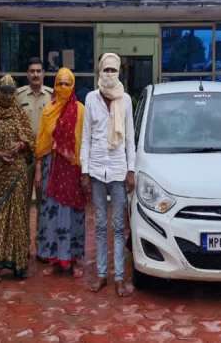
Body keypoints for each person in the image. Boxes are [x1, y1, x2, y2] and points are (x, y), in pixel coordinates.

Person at [81, 53, 136, 297]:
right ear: (99, 72)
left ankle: (119, 277)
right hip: (96, 170)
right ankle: (102, 274)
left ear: (119, 73)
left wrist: (131, 170)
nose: (110, 74)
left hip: (118, 170)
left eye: (114, 70)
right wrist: (84, 171)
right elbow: (86, 138)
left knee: (119, 226)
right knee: (101, 225)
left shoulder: (126, 100)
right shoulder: (91, 99)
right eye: (106, 70)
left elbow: (130, 139)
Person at [0, 75, 36, 281]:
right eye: (3, 91)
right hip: (0, 172)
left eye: (10, 91)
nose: (7, 95)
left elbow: (30, 140)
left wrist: (21, 145)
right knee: (0, 217)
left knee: (18, 217)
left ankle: (18, 264)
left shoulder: (20, 114)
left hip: (18, 172)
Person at [34, 68, 87, 277]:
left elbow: (85, 141)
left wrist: (85, 171)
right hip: (52, 168)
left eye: (67, 83)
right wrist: (39, 169)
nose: (63, 87)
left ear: (73, 86)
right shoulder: (49, 110)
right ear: (55, 86)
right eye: (59, 83)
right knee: (52, 212)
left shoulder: (81, 110)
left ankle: (72, 260)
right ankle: (53, 258)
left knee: (72, 213)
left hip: (73, 168)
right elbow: (41, 142)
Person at [16, 57, 53, 260]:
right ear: (27, 74)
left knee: (43, 203)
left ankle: (41, 247)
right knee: (22, 203)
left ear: (43, 73)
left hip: (45, 157)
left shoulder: (51, 95)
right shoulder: (19, 95)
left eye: (39, 71)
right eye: (32, 71)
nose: (36, 74)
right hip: (24, 156)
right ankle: (23, 246)